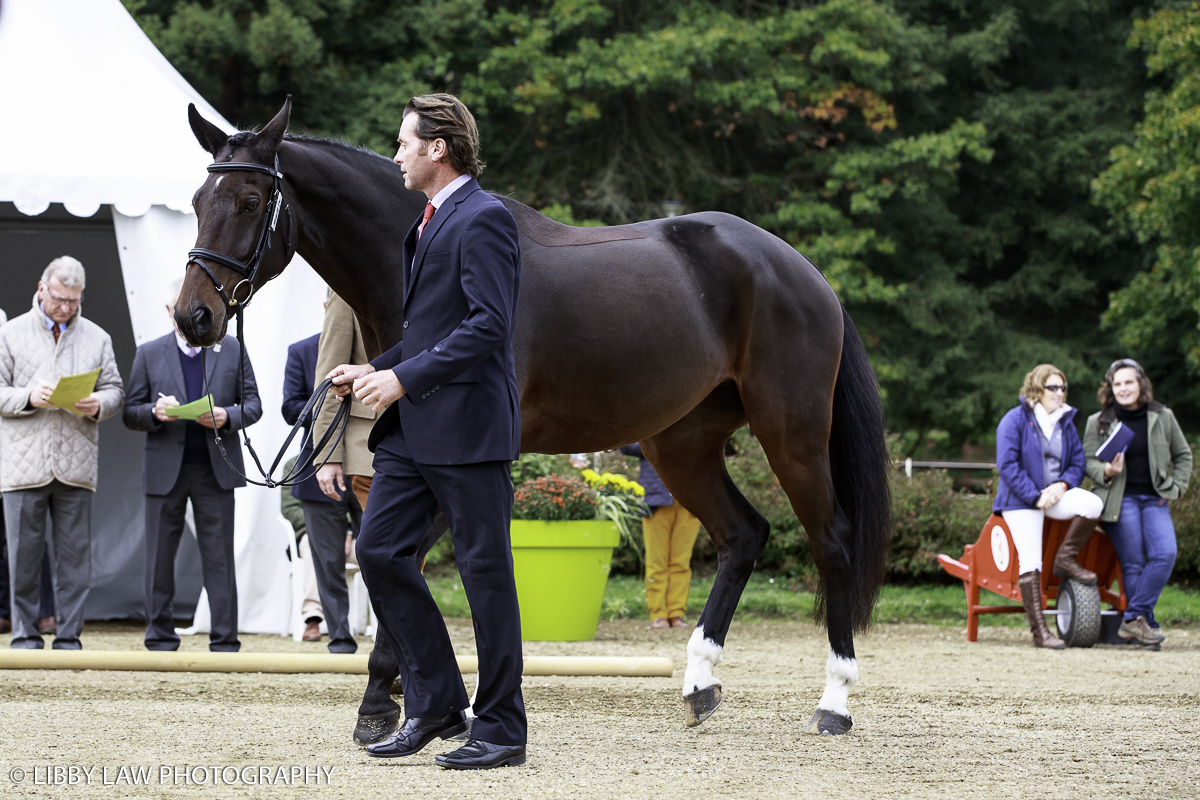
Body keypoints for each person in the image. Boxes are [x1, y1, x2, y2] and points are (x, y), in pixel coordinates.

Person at [329, 93, 525, 770]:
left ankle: (502, 730)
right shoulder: (428, 221)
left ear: (437, 149)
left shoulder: (485, 217)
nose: (396, 155)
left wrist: (403, 379)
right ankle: (439, 701)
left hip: (469, 429)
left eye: (403, 143)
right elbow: (430, 333)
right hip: (415, 430)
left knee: (486, 577)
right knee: (380, 551)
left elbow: (489, 326)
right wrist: (372, 367)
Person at [122, 280, 262, 652]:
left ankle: (225, 639)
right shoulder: (149, 353)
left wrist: (226, 415)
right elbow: (130, 413)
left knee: (219, 558)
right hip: (164, 467)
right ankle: (159, 636)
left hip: (215, 468)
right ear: (170, 311)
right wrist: (153, 412)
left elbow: (253, 405)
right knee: (158, 558)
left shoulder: (231, 349)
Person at [0, 257, 125, 649]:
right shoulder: (10, 333)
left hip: (76, 464)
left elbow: (116, 390)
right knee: (22, 558)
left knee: (75, 560)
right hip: (23, 464)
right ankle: (25, 634)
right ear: (42, 288)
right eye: (60, 299)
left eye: (74, 300)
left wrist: (99, 405)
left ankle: (69, 635)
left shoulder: (97, 337)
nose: (67, 307)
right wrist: (28, 397)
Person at [993, 364, 1103, 649]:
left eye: (1062, 387)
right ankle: (1040, 633)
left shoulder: (1066, 421)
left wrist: (1062, 485)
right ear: (1036, 389)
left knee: (1092, 504)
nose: (1059, 393)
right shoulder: (1014, 420)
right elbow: (1007, 465)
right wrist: (1034, 496)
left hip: (1054, 495)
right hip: (1020, 500)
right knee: (1031, 560)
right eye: (1052, 387)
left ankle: (1065, 559)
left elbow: (1078, 463)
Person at [1084, 359, 1192, 647]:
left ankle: (1132, 618)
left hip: (1155, 499)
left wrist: (1177, 487)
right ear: (1110, 388)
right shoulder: (1099, 421)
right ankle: (1146, 626)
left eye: (1129, 382)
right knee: (1133, 563)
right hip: (1120, 500)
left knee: (1165, 554)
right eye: (1117, 384)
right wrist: (1106, 471)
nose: (1123, 388)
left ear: (1141, 385)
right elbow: (1087, 461)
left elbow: (1183, 455)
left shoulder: (1162, 416)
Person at [282, 328, 357, 653]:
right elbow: (289, 409)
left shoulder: (377, 344)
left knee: (383, 555)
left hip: (371, 464)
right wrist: (328, 402)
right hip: (317, 467)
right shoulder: (300, 350)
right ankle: (339, 638)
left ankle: (388, 640)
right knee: (326, 562)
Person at [619, 443, 700, 629]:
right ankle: (658, 614)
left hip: (692, 499)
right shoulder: (651, 421)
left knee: (681, 562)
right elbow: (625, 446)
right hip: (656, 500)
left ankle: (676, 614)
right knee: (656, 561)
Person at [313, 290, 377, 518]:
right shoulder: (344, 289)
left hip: (432, 438)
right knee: (388, 548)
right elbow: (331, 378)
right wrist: (327, 456)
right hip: (369, 446)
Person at [280, 455, 325, 642]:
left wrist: (347, 531)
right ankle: (312, 619)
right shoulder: (294, 464)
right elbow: (289, 508)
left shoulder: (352, 458)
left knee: (380, 551)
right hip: (311, 533)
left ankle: (389, 622)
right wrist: (323, 529)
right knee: (313, 545)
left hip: (351, 535)